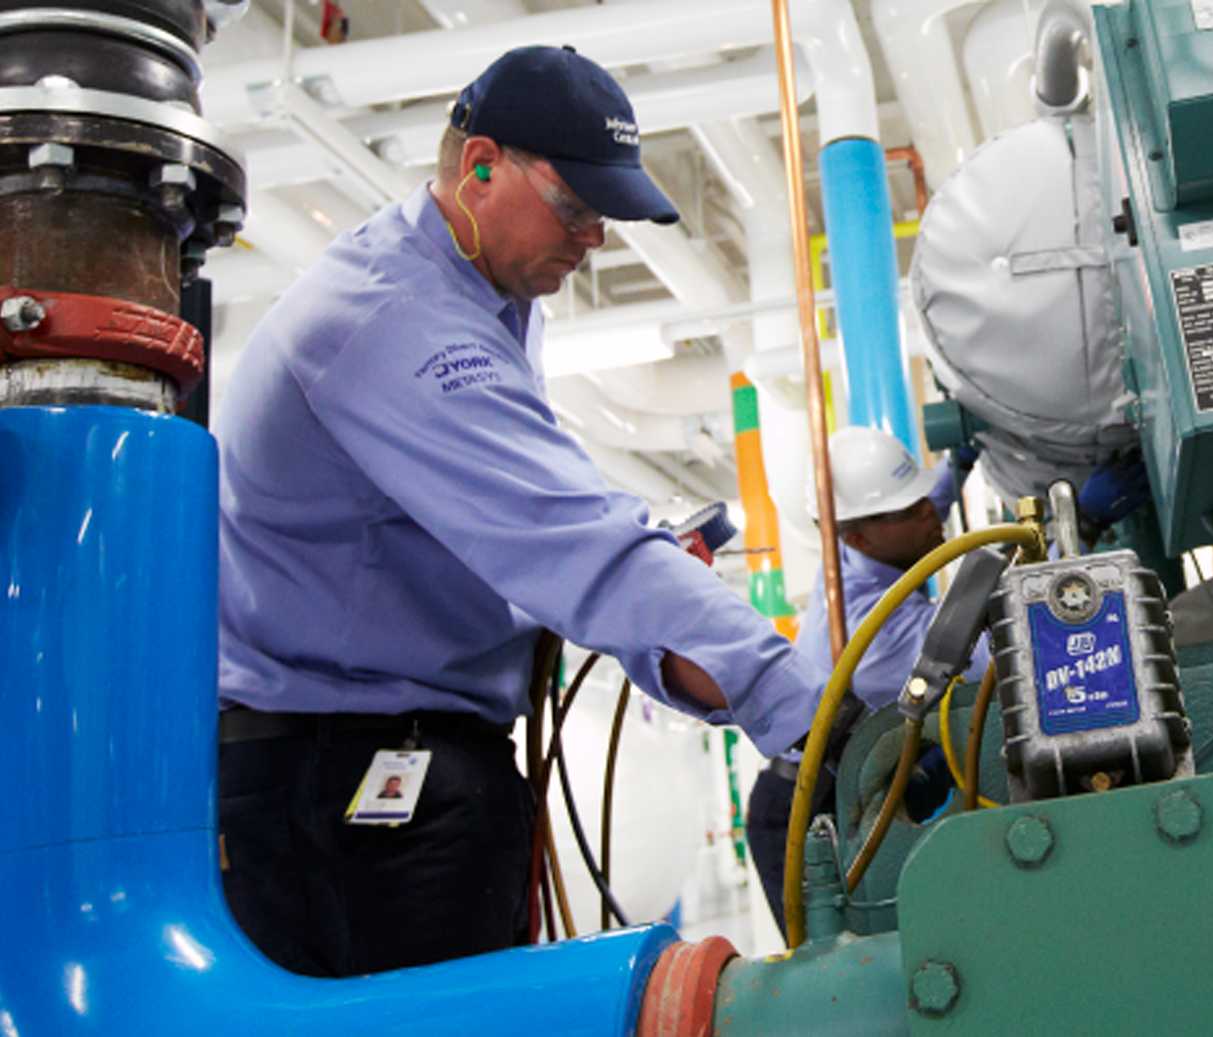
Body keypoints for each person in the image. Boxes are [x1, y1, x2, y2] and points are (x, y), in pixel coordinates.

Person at [215, 44, 823, 978]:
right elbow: (578, 545)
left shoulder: (483, 293)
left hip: (398, 760)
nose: (595, 241)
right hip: (342, 784)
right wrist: (809, 715)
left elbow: (542, 524)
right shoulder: (395, 324)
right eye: (576, 209)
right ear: (481, 165)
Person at [746, 427, 986, 937]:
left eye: (925, 499)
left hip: (843, 788)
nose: (930, 513)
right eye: (914, 508)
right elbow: (984, 648)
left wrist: (958, 463)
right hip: (808, 811)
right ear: (855, 536)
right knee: (851, 959)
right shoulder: (870, 629)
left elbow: (909, 516)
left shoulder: (859, 554)